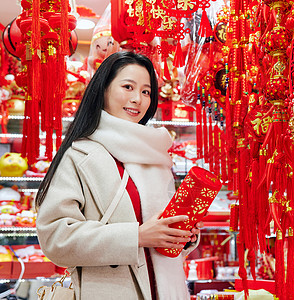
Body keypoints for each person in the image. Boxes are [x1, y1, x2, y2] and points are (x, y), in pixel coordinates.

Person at [36, 51, 201, 300]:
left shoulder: (156, 155)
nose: (137, 99)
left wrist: (181, 234)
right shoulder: (80, 155)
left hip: (168, 289)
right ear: (103, 90)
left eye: (146, 92)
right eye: (128, 87)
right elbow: (56, 238)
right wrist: (136, 236)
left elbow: (159, 231)